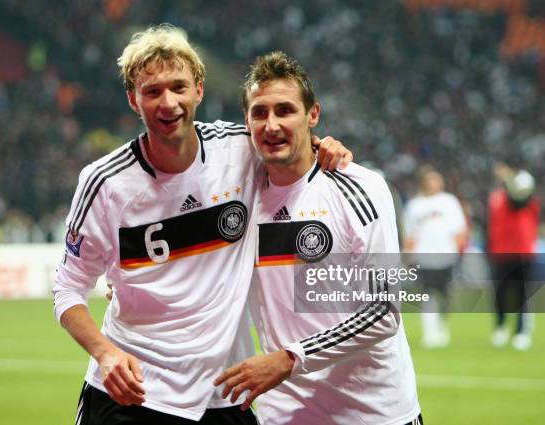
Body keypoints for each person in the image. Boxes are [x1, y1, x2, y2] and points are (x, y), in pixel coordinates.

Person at [52, 25, 352, 425]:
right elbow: (68, 287)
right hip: (133, 392)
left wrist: (324, 146)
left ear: (199, 90)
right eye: (152, 91)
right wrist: (105, 353)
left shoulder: (240, 149)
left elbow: (286, 138)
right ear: (132, 100)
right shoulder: (104, 182)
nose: (168, 102)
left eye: (178, 87)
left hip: (224, 394)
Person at [215, 51, 422, 425]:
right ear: (246, 122)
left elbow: (384, 311)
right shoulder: (239, 201)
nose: (272, 124)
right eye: (259, 113)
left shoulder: (360, 187)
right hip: (286, 416)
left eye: (285, 110)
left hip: (373, 415)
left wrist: (289, 358)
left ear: (313, 115)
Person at [402, 166, 468, 349]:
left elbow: (460, 229)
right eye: (432, 179)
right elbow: (410, 234)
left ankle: (442, 326)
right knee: (427, 294)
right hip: (424, 258)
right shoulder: (415, 205)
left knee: (445, 294)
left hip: (446, 256)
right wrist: (408, 257)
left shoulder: (449, 201)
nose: (436, 183)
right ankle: (430, 332)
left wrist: (459, 252)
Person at [487, 162, 540, 351]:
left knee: (522, 295)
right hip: (500, 252)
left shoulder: (527, 198)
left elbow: (517, 200)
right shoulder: (496, 197)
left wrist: (508, 177)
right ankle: (500, 327)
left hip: (522, 252)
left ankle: (521, 331)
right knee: (500, 293)